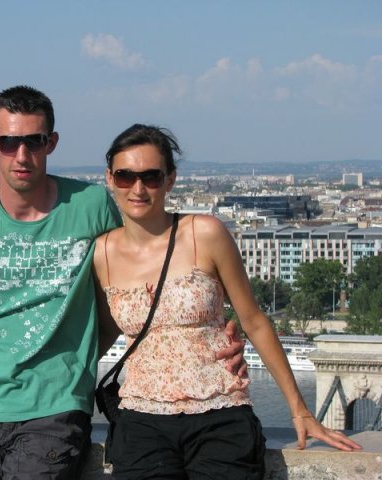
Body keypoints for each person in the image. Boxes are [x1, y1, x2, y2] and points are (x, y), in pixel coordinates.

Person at [0, 86, 245, 479]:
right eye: (9, 142)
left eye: (34, 141)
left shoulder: (91, 206)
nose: (22, 155)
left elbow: (149, 266)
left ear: (51, 142)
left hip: (56, 405)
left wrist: (212, 333)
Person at [92, 124, 362, 480]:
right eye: (126, 176)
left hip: (219, 413)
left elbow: (254, 320)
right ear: (110, 179)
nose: (138, 188)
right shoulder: (102, 253)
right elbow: (105, 332)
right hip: (141, 421)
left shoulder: (204, 233)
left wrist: (300, 411)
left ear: (170, 180)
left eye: (151, 177)